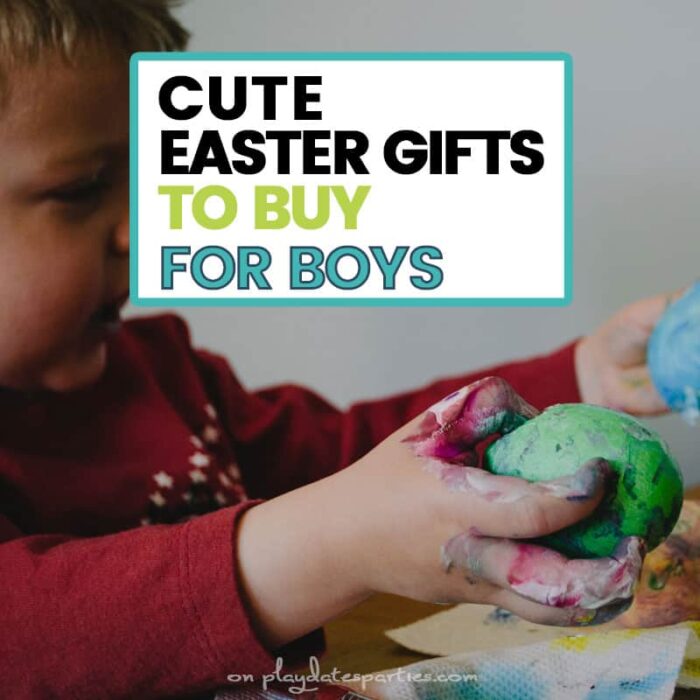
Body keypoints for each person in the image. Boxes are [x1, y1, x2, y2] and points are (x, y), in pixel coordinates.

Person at [0, 1, 683, 697]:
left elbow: (353, 460)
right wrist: (332, 546)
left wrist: (579, 376)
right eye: (80, 188)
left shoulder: (165, 374)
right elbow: (24, 631)